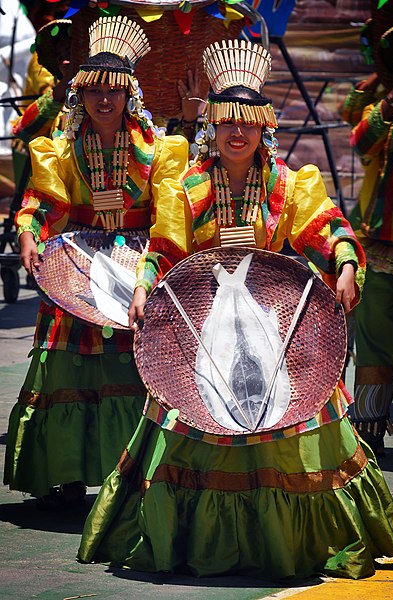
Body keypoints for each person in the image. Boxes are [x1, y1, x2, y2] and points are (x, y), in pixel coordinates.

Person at [77, 40, 393, 579]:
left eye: (248, 125)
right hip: (204, 334)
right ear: (212, 129)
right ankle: (205, 537)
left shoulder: (288, 185)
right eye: (228, 123)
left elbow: (328, 227)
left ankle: (288, 537)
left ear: (263, 130)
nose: (237, 134)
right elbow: (163, 250)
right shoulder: (187, 190)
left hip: (275, 329)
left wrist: (344, 262)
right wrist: (142, 287)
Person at [3, 15, 188, 509]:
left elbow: (168, 215)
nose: (104, 101)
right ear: (79, 96)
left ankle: (126, 470)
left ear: (130, 96)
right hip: (76, 268)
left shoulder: (159, 151)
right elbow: (44, 204)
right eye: (94, 92)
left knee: (129, 371)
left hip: (135, 270)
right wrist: (28, 232)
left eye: (113, 92)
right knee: (66, 367)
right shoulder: (62, 149)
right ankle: (65, 474)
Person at [340, 23, 393, 457]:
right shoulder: (384, 107)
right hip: (380, 248)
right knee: (374, 344)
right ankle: (370, 429)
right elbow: (360, 141)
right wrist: (391, 92)